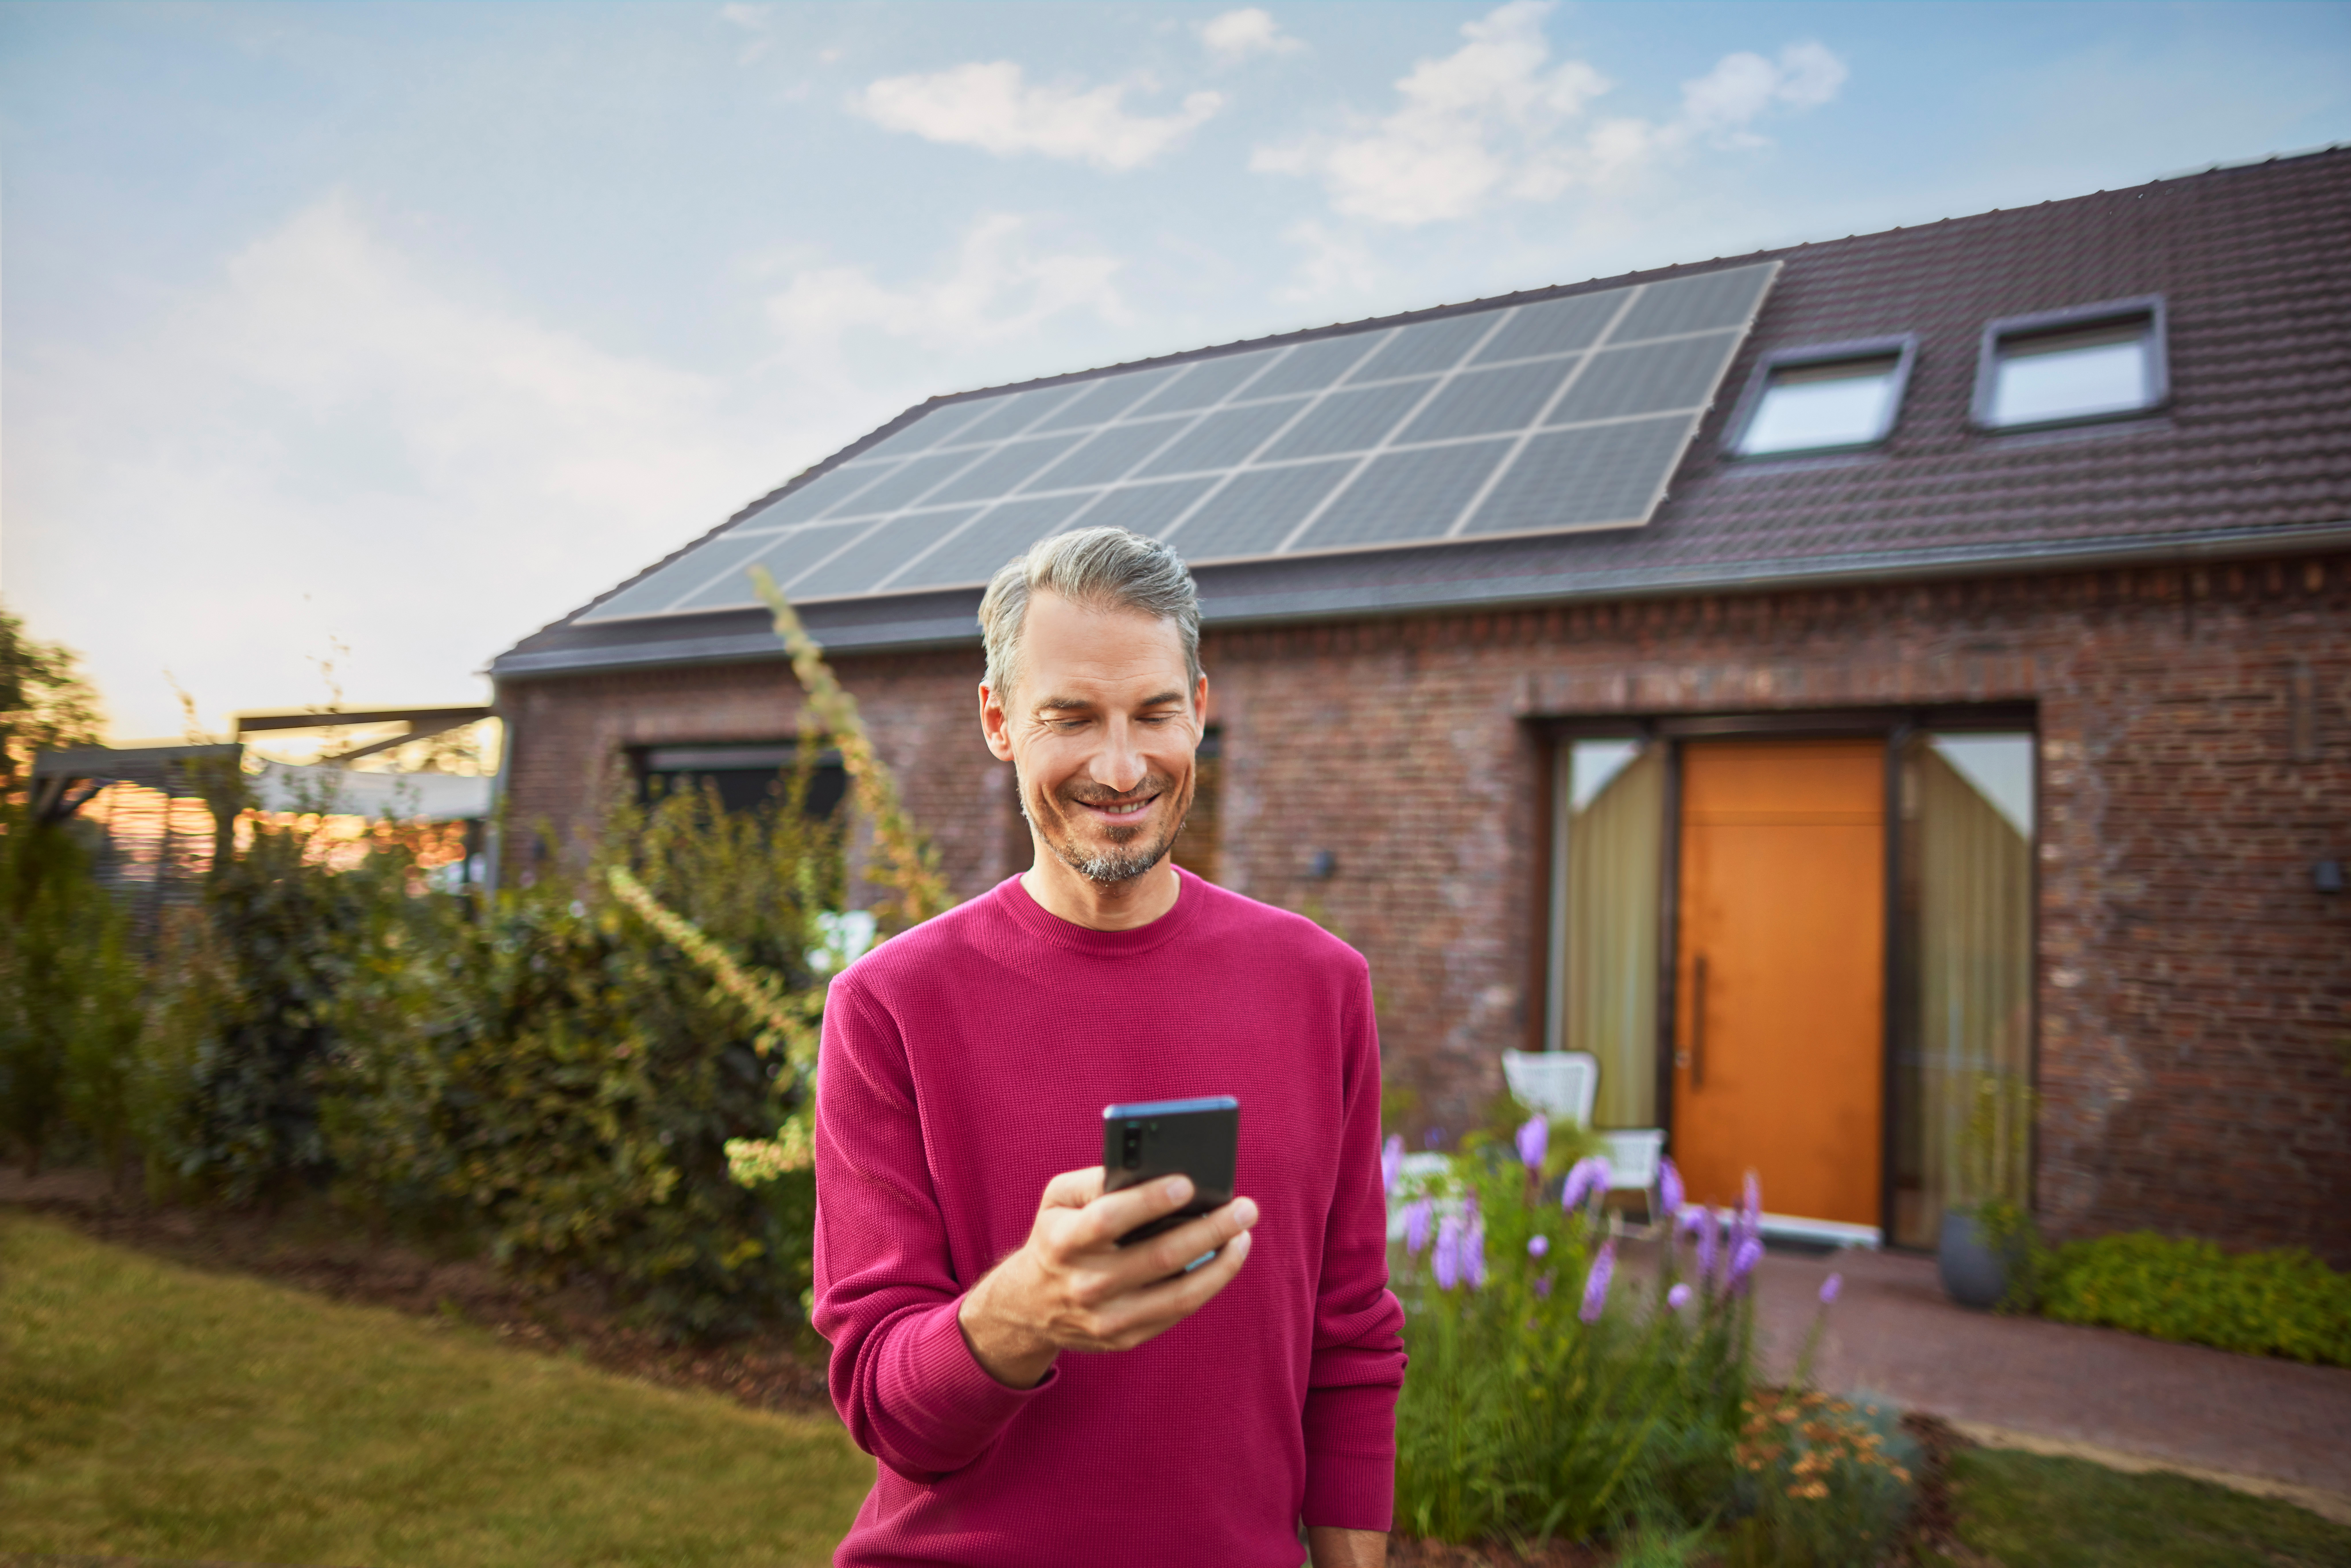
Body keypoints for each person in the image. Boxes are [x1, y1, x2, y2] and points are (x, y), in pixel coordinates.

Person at [813, 526, 1405, 1567]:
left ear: (1201, 710)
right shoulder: (892, 1004)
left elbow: (1350, 1341)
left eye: (1155, 713)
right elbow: (886, 1408)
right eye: (1072, 718)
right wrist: (1025, 1308)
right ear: (1000, 722)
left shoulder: (1322, 985)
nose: (1123, 767)